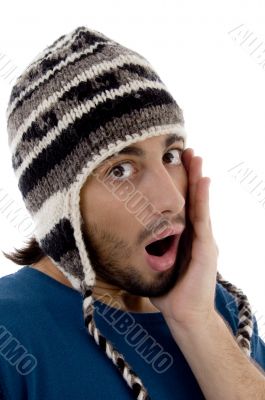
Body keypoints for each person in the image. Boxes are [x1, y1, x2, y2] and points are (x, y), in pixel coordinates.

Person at [0, 25, 264, 400]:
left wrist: (197, 323)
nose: (171, 199)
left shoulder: (217, 309)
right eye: (120, 170)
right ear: (59, 208)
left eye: (170, 156)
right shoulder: (9, 334)